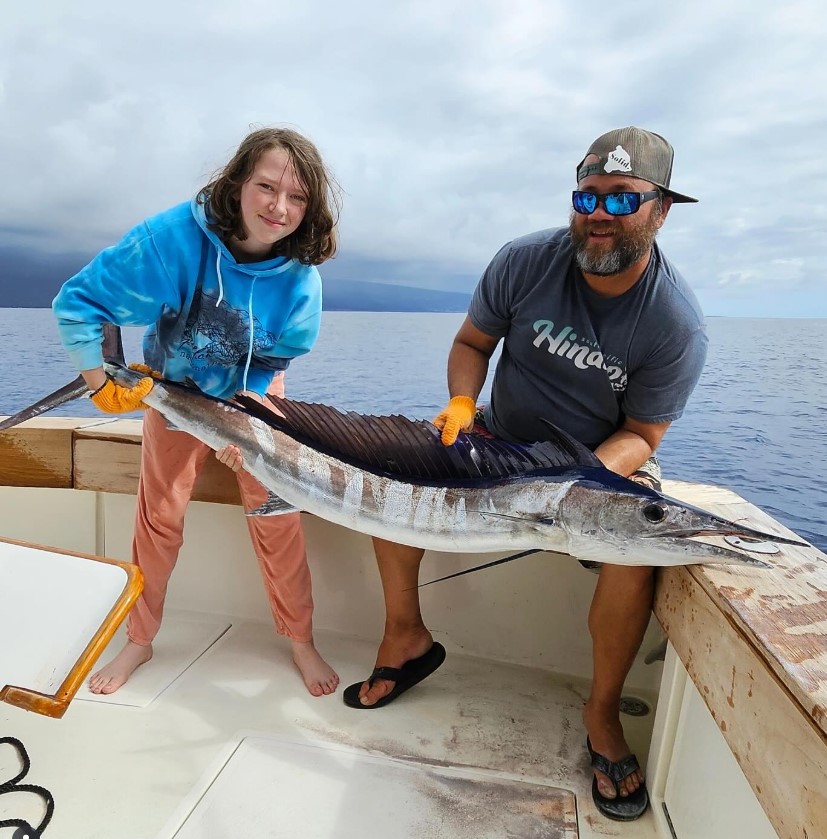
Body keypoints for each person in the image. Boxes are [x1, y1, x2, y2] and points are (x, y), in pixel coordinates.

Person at [343, 126, 707, 821]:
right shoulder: (524, 260)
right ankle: (405, 636)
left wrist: (577, 481)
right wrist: (458, 401)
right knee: (397, 473)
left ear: (660, 211)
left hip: (598, 459)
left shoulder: (674, 323)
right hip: (497, 434)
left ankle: (600, 713)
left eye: (622, 199)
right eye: (586, 195)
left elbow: (644, 432)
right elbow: (472, 342)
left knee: (632, 555)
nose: (598, 213)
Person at [52, 127, 342, 698]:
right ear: (238, 183)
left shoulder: (302, 277)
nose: (279, 207)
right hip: (173, 390)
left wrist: (245, 418)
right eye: (266, 187)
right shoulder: (171, 239)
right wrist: (98, 380)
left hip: (253, 399)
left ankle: (301, 638)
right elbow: (79, 302)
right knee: (158, 518)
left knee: (277, 517)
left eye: (298, 197)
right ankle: (139, 637)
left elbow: (272, 358)